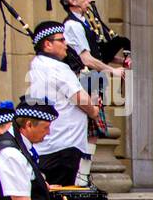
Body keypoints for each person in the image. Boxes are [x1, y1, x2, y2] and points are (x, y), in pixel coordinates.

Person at [25, 20, 102, 187]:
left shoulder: (37, 64)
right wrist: (94, 110)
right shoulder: (58, 68)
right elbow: (80, 98)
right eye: (61, 40)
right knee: (64, 198)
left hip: (47, 145)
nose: (66, 44)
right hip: (64, 145)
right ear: (47, 44)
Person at [58, 0, 129, 79]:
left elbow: (96, 53)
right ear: (73, 2)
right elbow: (86, 59)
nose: (90, 0)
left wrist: (121, 61)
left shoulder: (83, 21)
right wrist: (112, 70)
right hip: (82, 81)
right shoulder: (72, 25)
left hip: (92, 80)